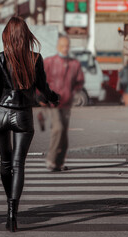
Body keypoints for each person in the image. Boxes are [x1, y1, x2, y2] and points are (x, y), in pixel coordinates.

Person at [0, 17, 59, 232]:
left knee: (5, 163)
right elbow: (43, 87)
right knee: (18, 165)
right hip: (23, 116)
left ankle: (9, 202)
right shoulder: (35, 58)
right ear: (25, 36)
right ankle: (13, 213)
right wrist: (53, 97)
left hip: (1, 114)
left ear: (7, 36)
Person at [41, 35, 84, 172]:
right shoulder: (49, 62)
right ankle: (51, 160)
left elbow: (80, 80)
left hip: (66, 103)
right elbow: (41, 80)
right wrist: (42, 97)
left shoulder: (74, 64)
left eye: (67, 46)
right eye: (62, 46)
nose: (65, 48)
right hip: (53, 103)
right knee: (58, 129)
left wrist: (72, 91)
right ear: (58, 47)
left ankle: (59, 163)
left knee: (64, 133)